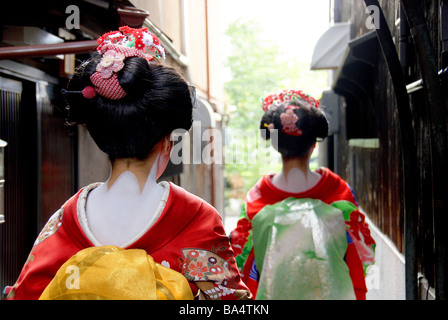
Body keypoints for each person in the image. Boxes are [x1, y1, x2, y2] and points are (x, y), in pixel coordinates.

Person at [4, 27, 251, 300]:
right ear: (168, 141)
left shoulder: (67, 220)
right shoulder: (194, 218)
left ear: (100, 136)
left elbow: (25, 294)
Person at [229, 89, 375, 300]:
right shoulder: (337, 191)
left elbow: (241, 260)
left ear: (276, 145)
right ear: (314, 146)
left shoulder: (258, 197)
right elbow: (363, 255)